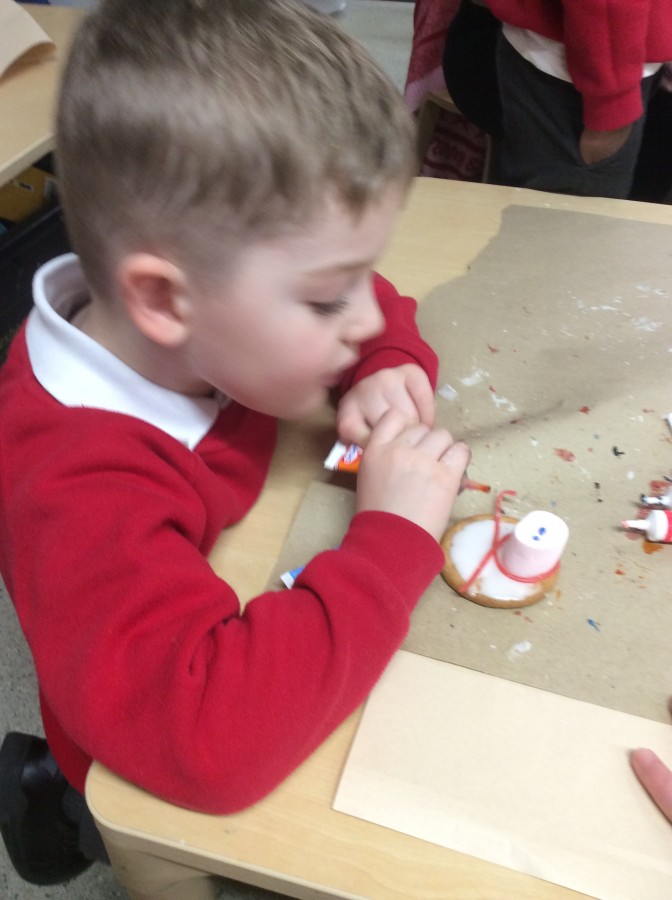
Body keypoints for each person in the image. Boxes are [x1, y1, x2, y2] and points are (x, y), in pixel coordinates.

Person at [0, 0, 471, 886]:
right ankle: (56, 804)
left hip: (219, 574)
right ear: (164, 301)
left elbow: (361, 300)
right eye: (328, 299)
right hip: (143, 729)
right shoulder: (79, 488)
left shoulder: (209, 319)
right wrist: (391, 542)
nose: (365, 312)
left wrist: (381, 360)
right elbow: (205, 742)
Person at [483, 0, 672, 198]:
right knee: (565, 210)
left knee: (538, 201)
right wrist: (612, 105)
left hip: (565, 53)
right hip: (585, 71)